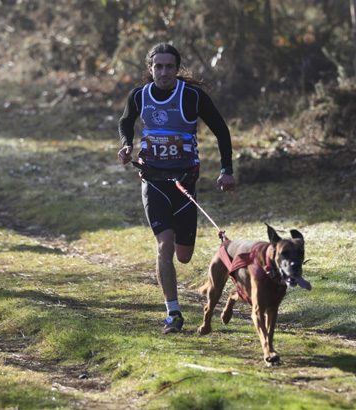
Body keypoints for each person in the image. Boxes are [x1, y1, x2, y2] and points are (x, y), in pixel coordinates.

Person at [118, 43, 236, 334]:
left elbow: (221, 130)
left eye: (169, 66)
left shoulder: (193, 97)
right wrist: (126, 144)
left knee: (183, 255)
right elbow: (125, 121)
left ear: (177, 69)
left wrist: (226, 171)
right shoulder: (139, 96)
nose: (164, 72)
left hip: (185, 182)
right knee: (165, 246)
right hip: (153, 180)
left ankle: (179, 280)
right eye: (158, 66)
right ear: (150, 68)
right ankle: (173, 313)